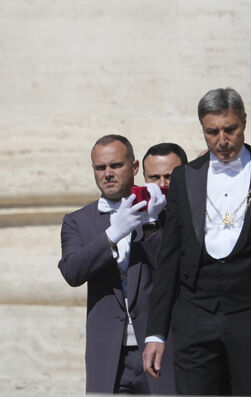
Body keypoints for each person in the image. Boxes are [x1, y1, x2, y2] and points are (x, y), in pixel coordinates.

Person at [142, 87, 251, 396]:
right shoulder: (184, 178)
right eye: (212, 132)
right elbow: (168, 259)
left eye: (230, 129)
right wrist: (156, 333)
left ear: (244, 122)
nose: (222, 140)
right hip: (195, 311)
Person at [59, 134, 174, 394]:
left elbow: (171, 272)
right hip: (109, 355)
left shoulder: (160, 212)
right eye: (101, 168)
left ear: (134, 167)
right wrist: (111, 236)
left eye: (116, 165)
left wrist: (151, 224)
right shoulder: (77, 221)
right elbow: (72, 272)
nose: (108, 173)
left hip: (158, 348)